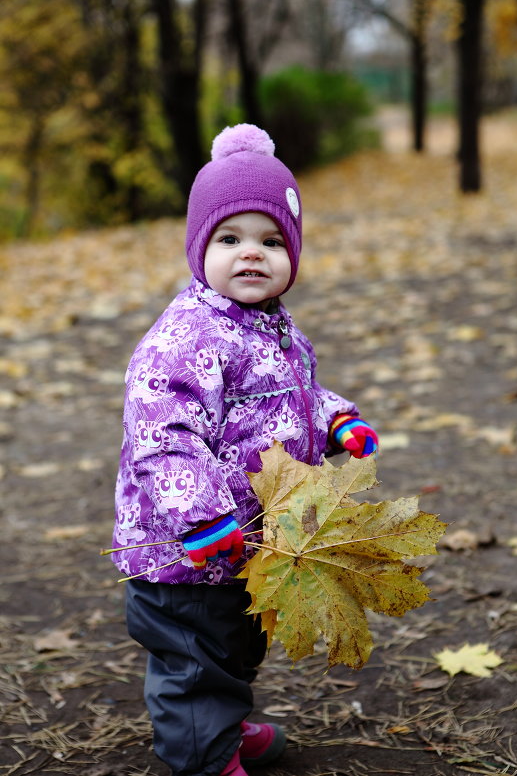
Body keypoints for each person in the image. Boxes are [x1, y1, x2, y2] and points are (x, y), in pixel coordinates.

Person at [111, 124, 378, 776]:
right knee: (195, 653)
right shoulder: (182, 339)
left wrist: (335, 419)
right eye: (229, 239)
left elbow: (291, 396)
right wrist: (199, 518)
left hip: (253, 540)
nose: (250, 254)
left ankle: (221, 721)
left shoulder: (273, 324)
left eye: (269, 240)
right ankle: (203, 751)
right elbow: (162, 436)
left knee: (235, 641)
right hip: (185, 548)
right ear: (199, 247)